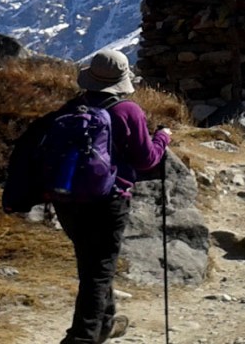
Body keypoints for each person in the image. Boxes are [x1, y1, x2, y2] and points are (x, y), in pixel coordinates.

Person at [19, 49, 171, 343]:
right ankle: (82, 337)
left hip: (66, 198)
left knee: (92, 264)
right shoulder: (128, 111)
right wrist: (163, 137)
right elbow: (147, 160)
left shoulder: (72, 108)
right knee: (98, 272)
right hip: (107, 200)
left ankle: (105, 324)